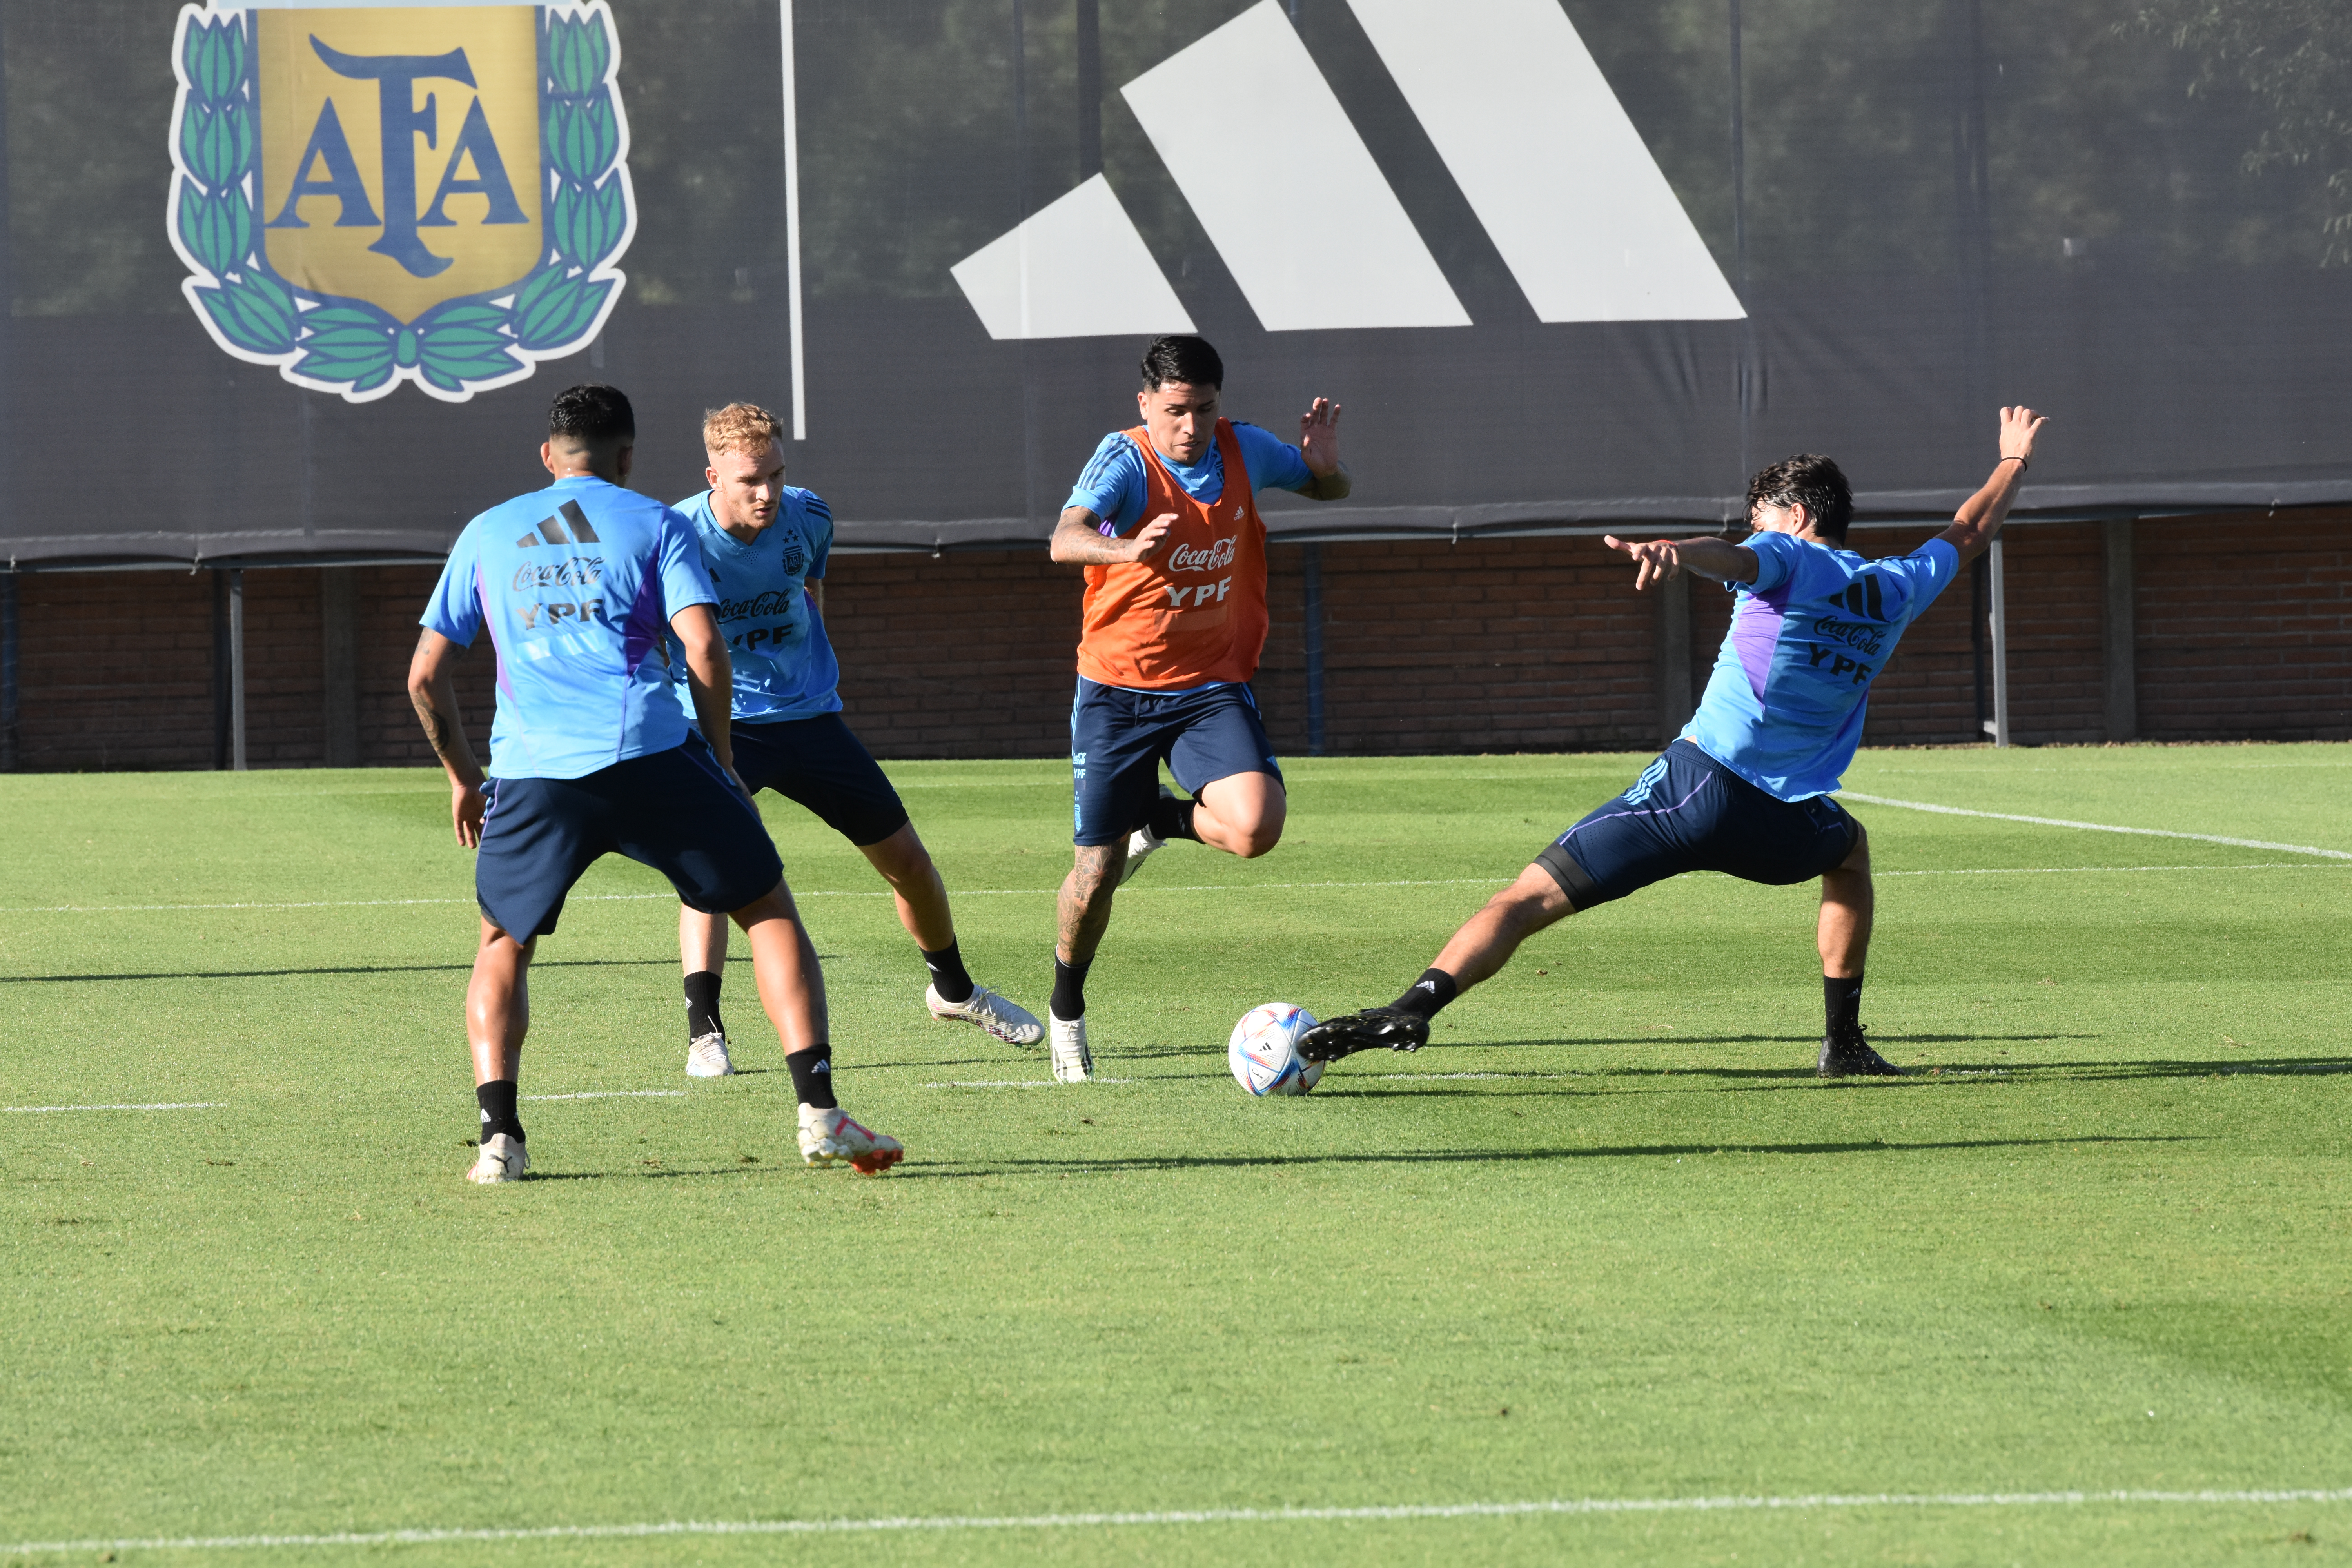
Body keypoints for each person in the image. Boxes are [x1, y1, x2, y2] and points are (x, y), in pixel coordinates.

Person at [1300, 406, 2049, 1078]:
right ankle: (1843, 1043)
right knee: (1850, 855)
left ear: (1792, 515)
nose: (1756, 528)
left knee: (1527, 898)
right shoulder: (1899, 584)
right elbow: (1971, 530)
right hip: (1783, 824)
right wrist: (2013, 460)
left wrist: (1678, 551)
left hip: (1693, 791)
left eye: (1760, 516)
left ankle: (1415, 1005)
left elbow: (1736, 556)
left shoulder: (1790, 556)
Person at [407, 384, 903, 1183]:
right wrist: (722, 760)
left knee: (504, 942)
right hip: (649, 751)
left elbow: (426, 676)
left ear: (548, 455)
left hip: (534, 770)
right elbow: (705, 651)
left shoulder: (488, 533)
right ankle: (819, 1114)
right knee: (767, 906)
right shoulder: (657, 522)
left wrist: (466, 778)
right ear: (629, 456)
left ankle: (501, 1140)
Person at [664, 402, 1041, 1078]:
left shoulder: (810, 517)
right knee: (708, 876)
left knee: (910, 864)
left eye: (776, 475)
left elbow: (810, 591)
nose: (767, 493)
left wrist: (807, 678)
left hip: (809, 719)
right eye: (750, 480)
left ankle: (953, 992)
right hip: (722, 727)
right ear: (712, 475)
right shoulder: (673, 538)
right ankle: (705, 1032)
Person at [1042, 333, 1352, 1082]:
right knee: (1095, 873)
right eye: (1176, 411)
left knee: (1255, 829)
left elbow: (1327, 493)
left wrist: (1322, 468)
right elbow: (1064, 540)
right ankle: (1067, 1010)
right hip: (1118, 690)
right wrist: (1125, 553)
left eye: (1204, 410)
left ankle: (1163, 818)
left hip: (1210, 684)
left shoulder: (1243, 449)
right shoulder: (1123, 461)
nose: (1190, 426)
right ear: (1146, 404)